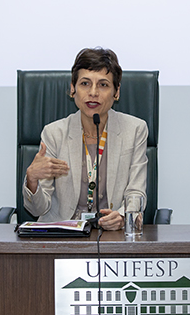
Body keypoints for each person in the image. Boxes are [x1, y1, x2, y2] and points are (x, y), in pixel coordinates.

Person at [22, 47, 148, 231]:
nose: (93, 92)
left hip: (110, 234)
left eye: (103, 85)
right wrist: (32, 180)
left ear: (116, 92)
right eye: (85, 84)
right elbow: (38, 208)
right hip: (62, 233)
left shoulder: (135, 130)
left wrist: (122, 215)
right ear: (73, 89)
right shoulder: (53, 133)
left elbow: (136, 192)